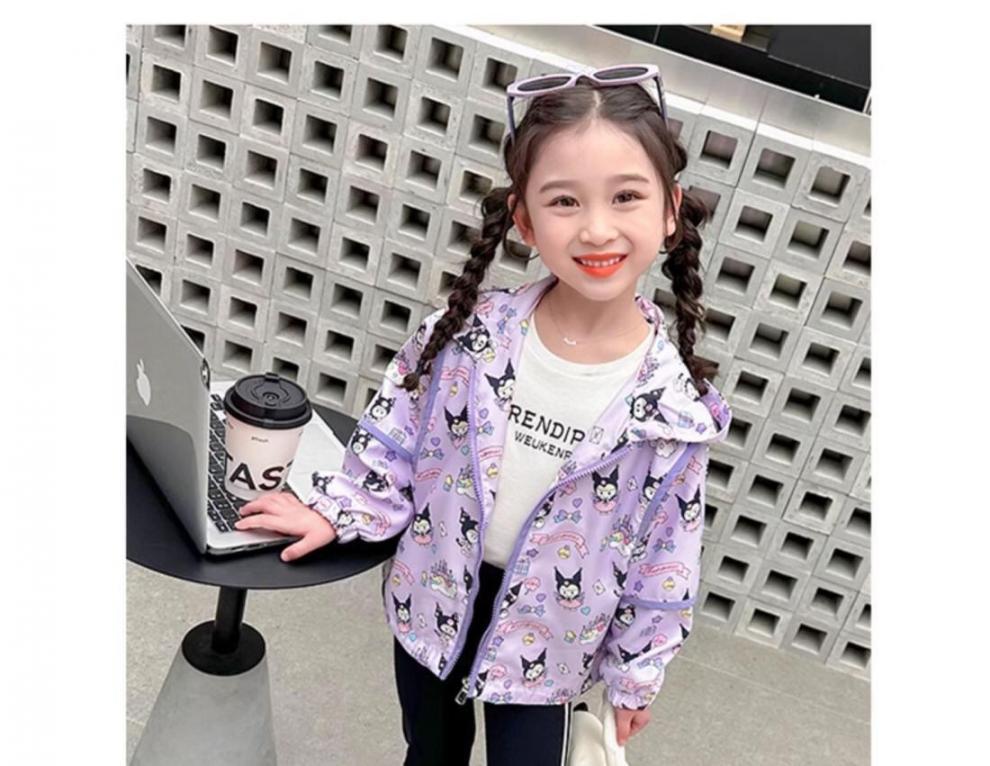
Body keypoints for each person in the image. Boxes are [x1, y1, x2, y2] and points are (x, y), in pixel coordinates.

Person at [234, 64, 733, 766]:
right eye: (564, 201)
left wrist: (637, 670)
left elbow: (666, 558)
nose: (597, 229)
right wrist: (338, 511)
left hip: (555, 642)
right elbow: (394, 438)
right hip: (434, 594)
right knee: (429, 751)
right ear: (525, 220)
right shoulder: (469, 337)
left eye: (626, 196)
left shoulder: (673, 412)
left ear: (670, 210)